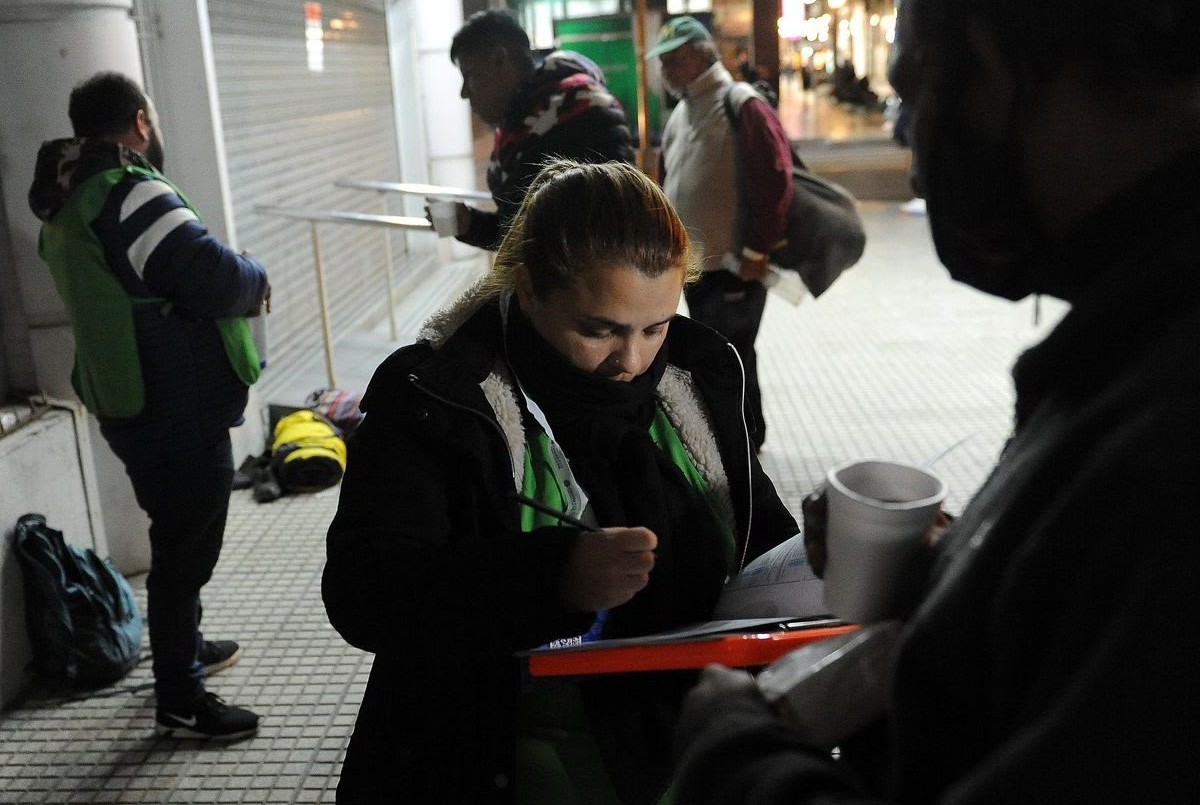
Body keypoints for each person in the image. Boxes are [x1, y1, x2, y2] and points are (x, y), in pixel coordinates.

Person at [671, 0, 1200, 801]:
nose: (908, 146)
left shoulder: (1169, 445)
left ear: (992, 69)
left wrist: (735, 751)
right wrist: (946, 570)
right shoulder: (1131, 345)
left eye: (912, 92)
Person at [322, 159, 800, 804]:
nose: (631, 361)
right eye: (598, 330)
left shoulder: (697, 378)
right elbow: (365, 592)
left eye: (655, 327)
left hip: (680, 755)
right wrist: (551, 576)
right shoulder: (438, 398)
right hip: (501, 763)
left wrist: (826, 557)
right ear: (528, 286)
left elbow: (762, 540)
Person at [28, 72, 268, 740]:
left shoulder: (70, 198)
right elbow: (214, 276)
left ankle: (184, 648)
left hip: (131, 397)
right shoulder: (130, 192)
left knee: (176, 535)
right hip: (176, 401)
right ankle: (181, 697)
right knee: (185, 551)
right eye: (153, 119)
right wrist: (256, 275)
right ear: (140, 120)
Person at [650, 16, 794, 452]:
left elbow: (775, 178)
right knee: (717, 357)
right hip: (698, 265)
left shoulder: (741, 104)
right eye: (663, 62)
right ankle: (737, 439)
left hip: (734, 264)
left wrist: (757, 251)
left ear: (702, 55)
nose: (666, 70)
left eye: (675, 60)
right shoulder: (683, 111)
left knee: (730, 357)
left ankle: (743, 443)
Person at [440, 9, 635, 251]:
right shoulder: (517, 132)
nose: (464, 93)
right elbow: (523, 231)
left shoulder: (583, 114)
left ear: (499, 60)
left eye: (469, 76)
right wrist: (470, 225)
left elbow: (607, 235)